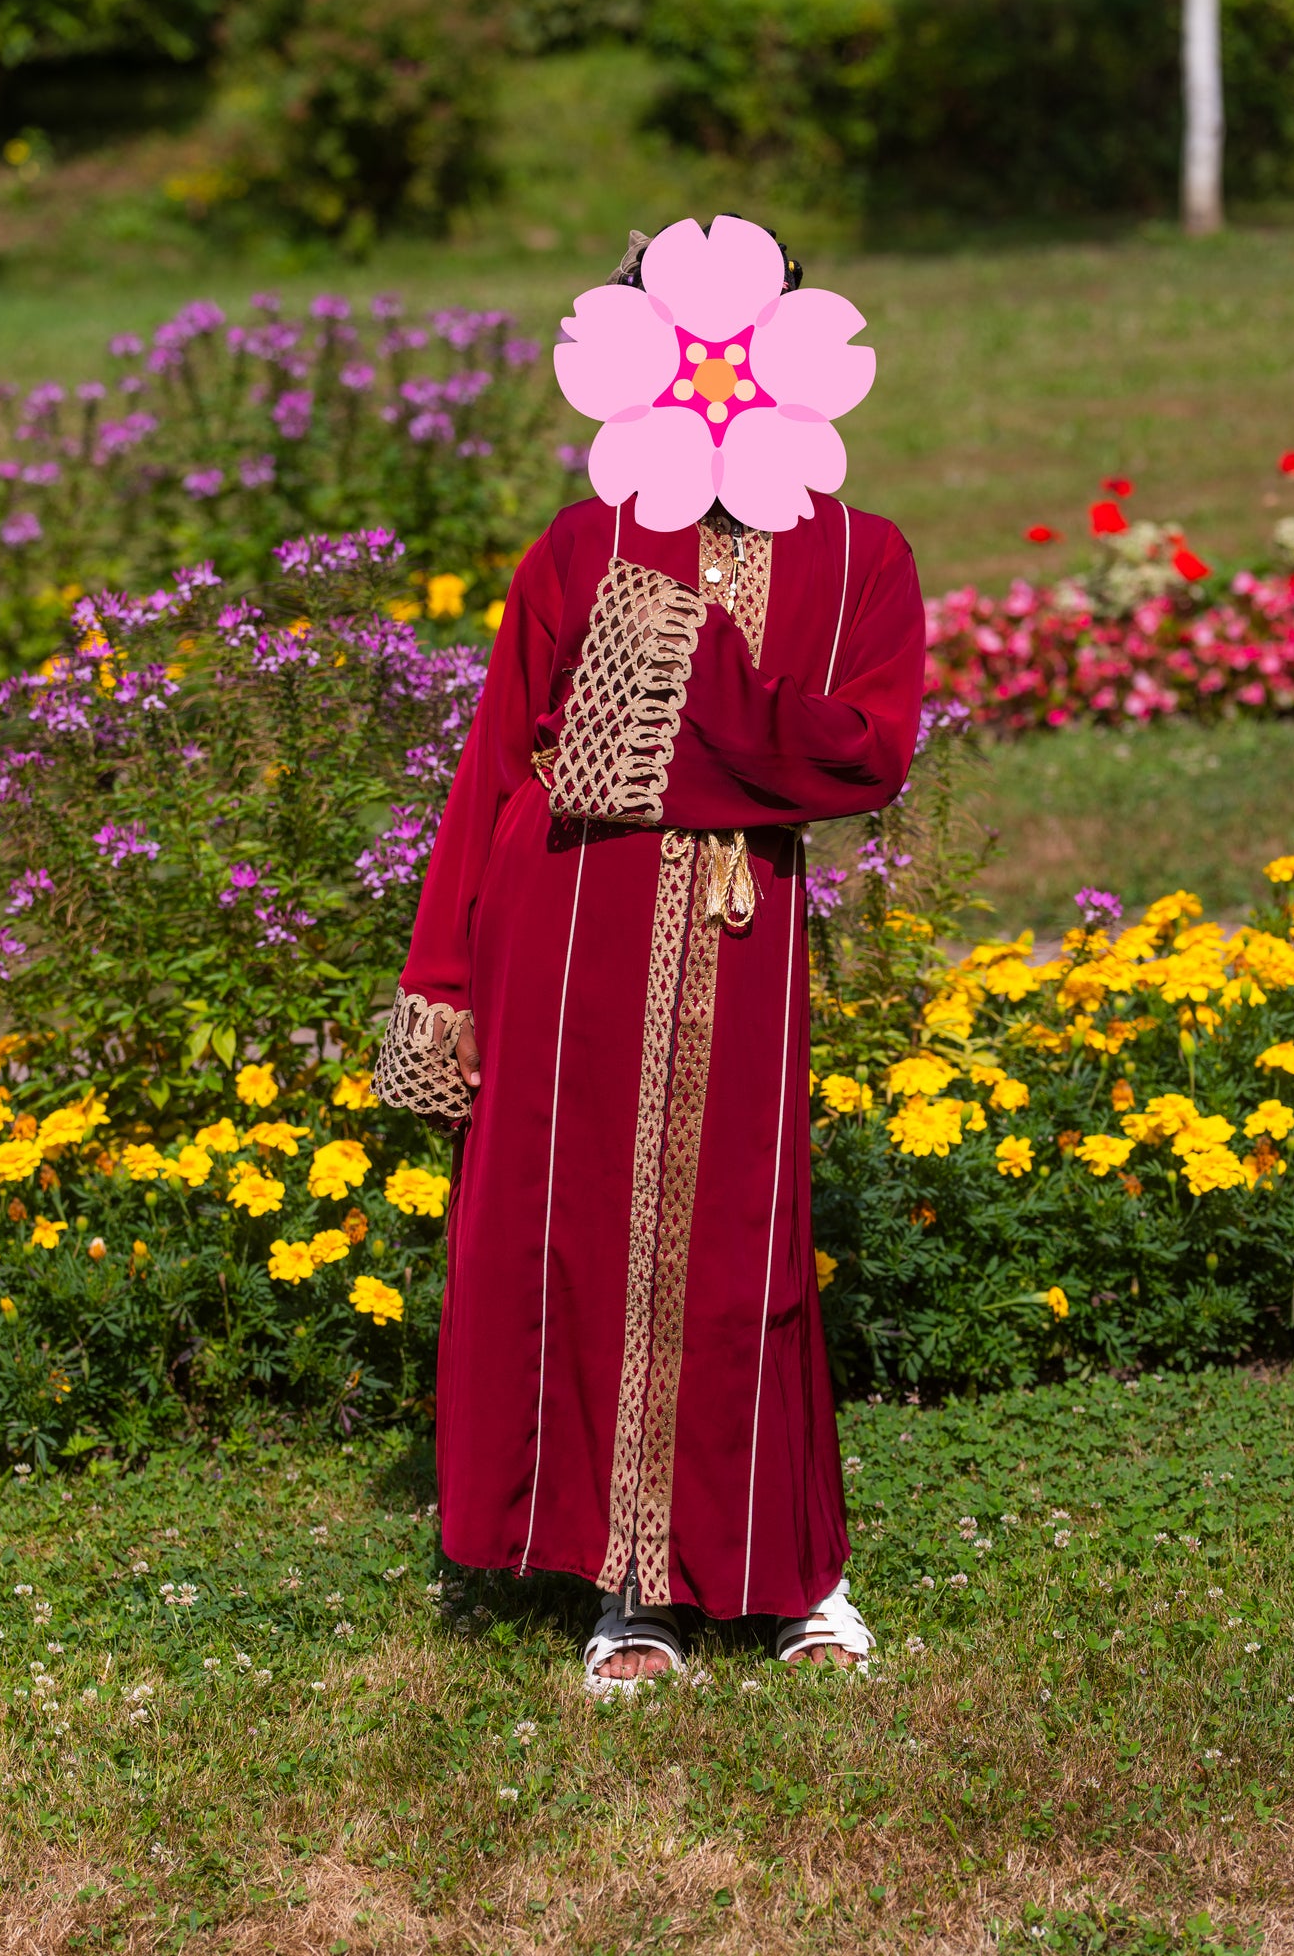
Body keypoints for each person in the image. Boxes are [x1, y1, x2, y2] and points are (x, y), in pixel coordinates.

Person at [374, 215, 926, 1689]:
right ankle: (632, 1591)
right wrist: (444, 982)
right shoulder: (580, 543)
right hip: (569, 930)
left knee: (749, 1248)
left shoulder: (863, 557)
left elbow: (867, 752)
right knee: (583, 1238)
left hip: (741, 941)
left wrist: (691, 692)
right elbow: (501, 762)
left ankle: (794, 1571)